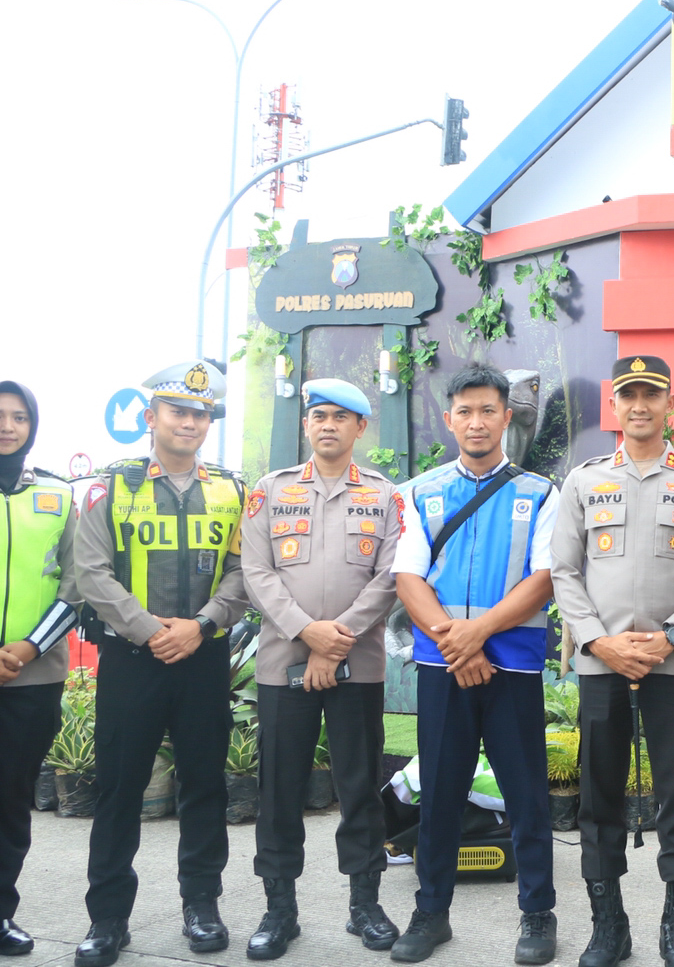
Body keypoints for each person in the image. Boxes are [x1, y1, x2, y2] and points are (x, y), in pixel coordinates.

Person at [550, 356, 674, 967]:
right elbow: (564, 572)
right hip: (602, 664)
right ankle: (609, 926)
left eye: (651, 394)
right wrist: (598, 641)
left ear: (669, 404)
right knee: (598, 796)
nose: (639, 406)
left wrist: (673, 637)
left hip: (673, 664)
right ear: (615, 405)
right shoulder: (584, 480)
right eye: (628, 395)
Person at [73, 361, 249, 967]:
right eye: (179, 410)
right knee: (119, 791)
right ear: (151, 419)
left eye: (201, 413)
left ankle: (202, 906)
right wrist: (151, 631)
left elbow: (242, 573)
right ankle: (107, 920)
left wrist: (200, 626)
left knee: (205, 786)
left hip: (203, 657)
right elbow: (91, 573)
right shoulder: (111, 486)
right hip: (131, 661)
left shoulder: (233, 489)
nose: (191, 421)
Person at [389, 363, 561, 965]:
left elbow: (544, 580)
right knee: (438, 793)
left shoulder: (541, 493)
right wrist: (454, 646)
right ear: (449, 420)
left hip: (511, 666)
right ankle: (430, 913)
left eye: (488, 410)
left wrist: (478, 635)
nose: (477, 421)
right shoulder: (418, 492)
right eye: (465, 411)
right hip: (444, 668)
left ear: (506, 417)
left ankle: (538, 914)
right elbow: (407, 576)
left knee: (525, 795)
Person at [240, 378, 403, 959]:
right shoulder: (271, 491)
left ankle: (366, 905)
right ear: (307, 425)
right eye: (319, 416)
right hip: (284, 663)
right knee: (279, 790)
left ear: (361, 428)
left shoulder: (385, 497)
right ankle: (279, 910)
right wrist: (307, 634)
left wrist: (335, 642)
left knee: (359, 787)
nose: (328, 425)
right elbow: (256, 573)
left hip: (356, 667)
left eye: (341, 417)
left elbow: (390, 578)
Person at [0, 381, 80, 956]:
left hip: (32, 675)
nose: (8, 426)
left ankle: (1, 912)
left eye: (19, 417)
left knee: (10, 800)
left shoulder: (57, 495)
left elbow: (76, 585)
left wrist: (28, 647)